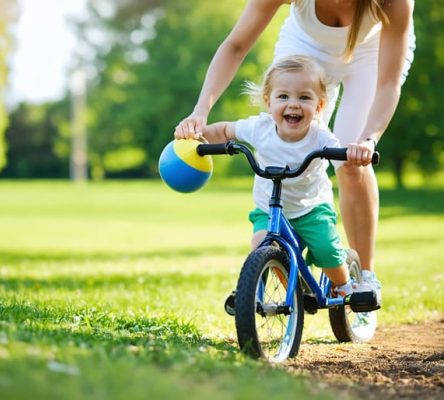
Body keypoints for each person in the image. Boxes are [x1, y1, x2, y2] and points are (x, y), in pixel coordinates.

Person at [175, 0, 415, 322]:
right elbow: (236, 45)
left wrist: (369, 139)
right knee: (281, 132)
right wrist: (200, 112)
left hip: (373, 56)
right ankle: (287, 265)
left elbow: (387, 83)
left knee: (350, 162)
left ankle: (363, 278)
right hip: (306, 46)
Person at [176, 55, 377, 312]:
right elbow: (223, 131)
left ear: (319, 106)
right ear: (269, 103)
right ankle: (252, 295)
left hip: (311, 210)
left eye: (304, 97)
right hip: (268, 209)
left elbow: (345, 155)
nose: (293, 104)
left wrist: (355, 153)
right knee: (261, 245)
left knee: (328, 250)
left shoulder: (321, 138)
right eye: (283, 97)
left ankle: (347, 288)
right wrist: (196, 137)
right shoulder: (259, 128)